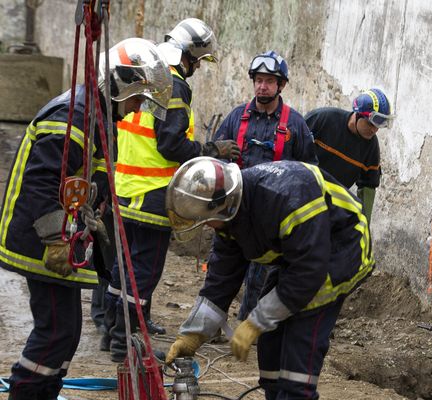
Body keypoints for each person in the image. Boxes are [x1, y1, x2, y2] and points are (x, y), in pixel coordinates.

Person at [0, 38, 172, 400]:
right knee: (57, 332)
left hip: (61, 236)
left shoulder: (97, 113)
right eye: (138, 97)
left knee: (66, 331)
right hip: (43, 240)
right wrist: (53, 240)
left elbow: (88, 181)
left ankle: (40, 391)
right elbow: (40, 183)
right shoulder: (74, 114)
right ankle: (27, 393)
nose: (137, 108)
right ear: (120, 84)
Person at [163, 157, 374, 399]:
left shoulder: (287, 197)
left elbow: (307, 274)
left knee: (300, 342)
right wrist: (192, 334)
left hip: (339, 251)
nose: (208, 227)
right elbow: (220, 281)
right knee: (271, 344)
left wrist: (256, 322)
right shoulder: (229, 216)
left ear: (223, 206)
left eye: (206, 221)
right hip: (298, 257)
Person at [102, 18, 240, 362]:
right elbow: (171, 144)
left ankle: (112, 332)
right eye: (198, 61)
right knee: (143, 274)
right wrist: (213, 151)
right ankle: (126, 344)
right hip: (154, 193)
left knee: (124, 269)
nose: (196, 68)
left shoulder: (146, 76)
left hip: (126, 187)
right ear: (188, 56)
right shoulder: (173, 85)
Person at [212, 50, 317, 320]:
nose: (262, 86)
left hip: (270, 219)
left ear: (280, 85)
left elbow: (309, 173)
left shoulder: (295, 125)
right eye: (258, 79)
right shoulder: (236, 118)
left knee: (260, 276)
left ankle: (248, 325)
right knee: (221, 270)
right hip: (232, 211)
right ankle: (211, 324)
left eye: (269, 81)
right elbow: (213, 161)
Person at [305, 88, 394, 223]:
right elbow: (292, 150)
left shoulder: (371, 147)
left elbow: (368, 187)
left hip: (330, 209)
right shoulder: (323, 119)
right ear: (358, 115)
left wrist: (364, 227)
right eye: (370, 124)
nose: (374, 130)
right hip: (302, 193)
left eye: (378, 126)